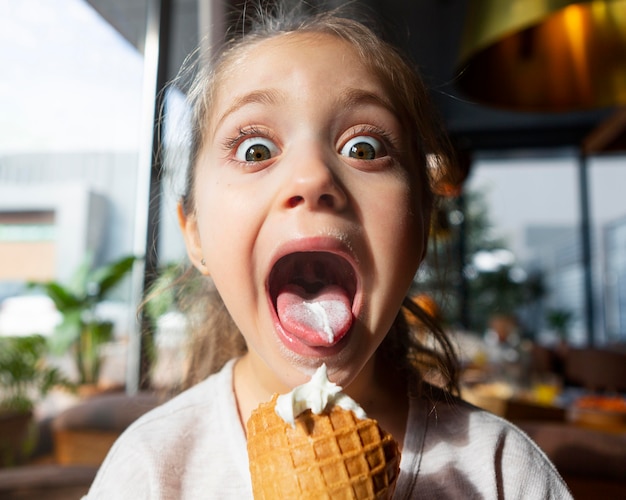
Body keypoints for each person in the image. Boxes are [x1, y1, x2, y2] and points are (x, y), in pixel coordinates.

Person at [84, 3, 572, 498]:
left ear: (422, 224)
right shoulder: (151, 470)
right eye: (256, 150)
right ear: (195, 235)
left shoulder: (501, 472)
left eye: (363, 148)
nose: (312, 177)